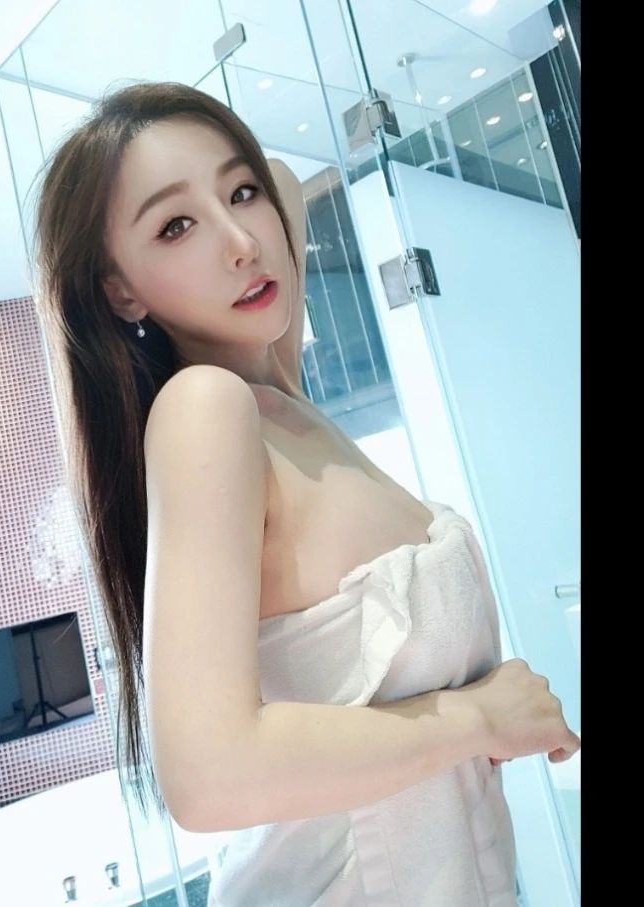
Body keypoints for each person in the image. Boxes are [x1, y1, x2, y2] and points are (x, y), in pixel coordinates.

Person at [33, 81, 580, 906]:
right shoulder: (206, 411)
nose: (241, 243)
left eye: (239, 194)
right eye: (175, 226)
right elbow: (208, 778)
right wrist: (478, 719)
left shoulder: (280, 397)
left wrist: (223, 180)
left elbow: (284, 182)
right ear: (121, 290)